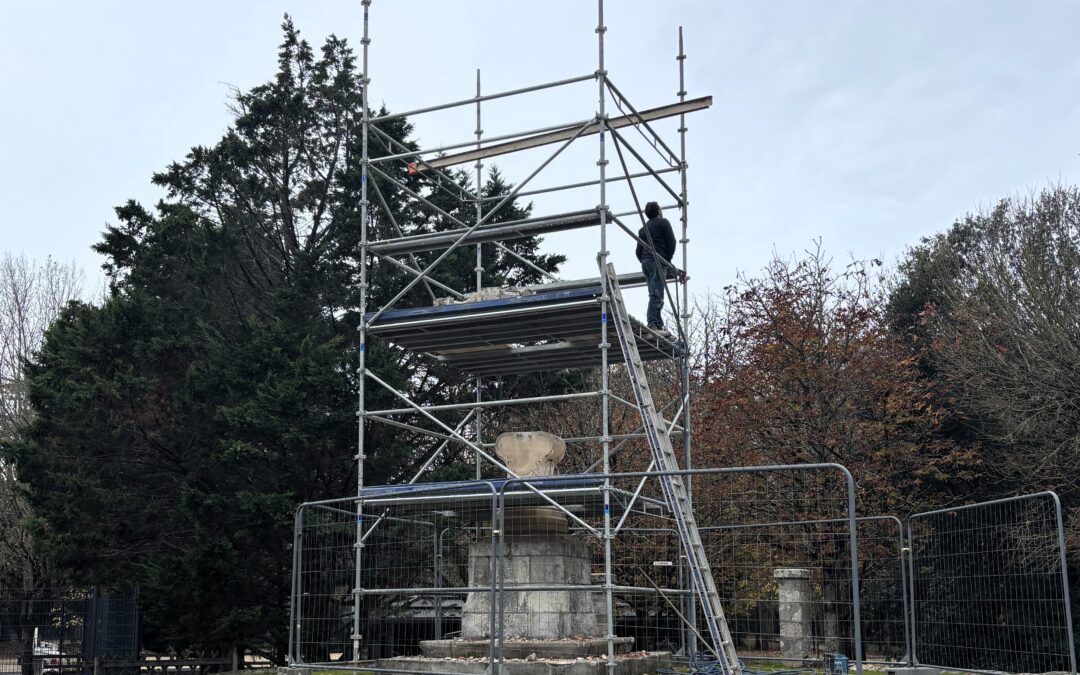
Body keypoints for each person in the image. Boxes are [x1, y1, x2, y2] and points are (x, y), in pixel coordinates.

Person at [634, 201, 677, 336]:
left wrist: (644, 261)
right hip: (657, 260)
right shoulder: (663, 223)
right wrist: (667, 260)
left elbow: (638, 251)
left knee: (655, 293)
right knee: (657, 294)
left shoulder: (643, 229)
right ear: (658, 211)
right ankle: (652, 323)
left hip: (646, 262)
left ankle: (658, 324)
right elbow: (672, 242)